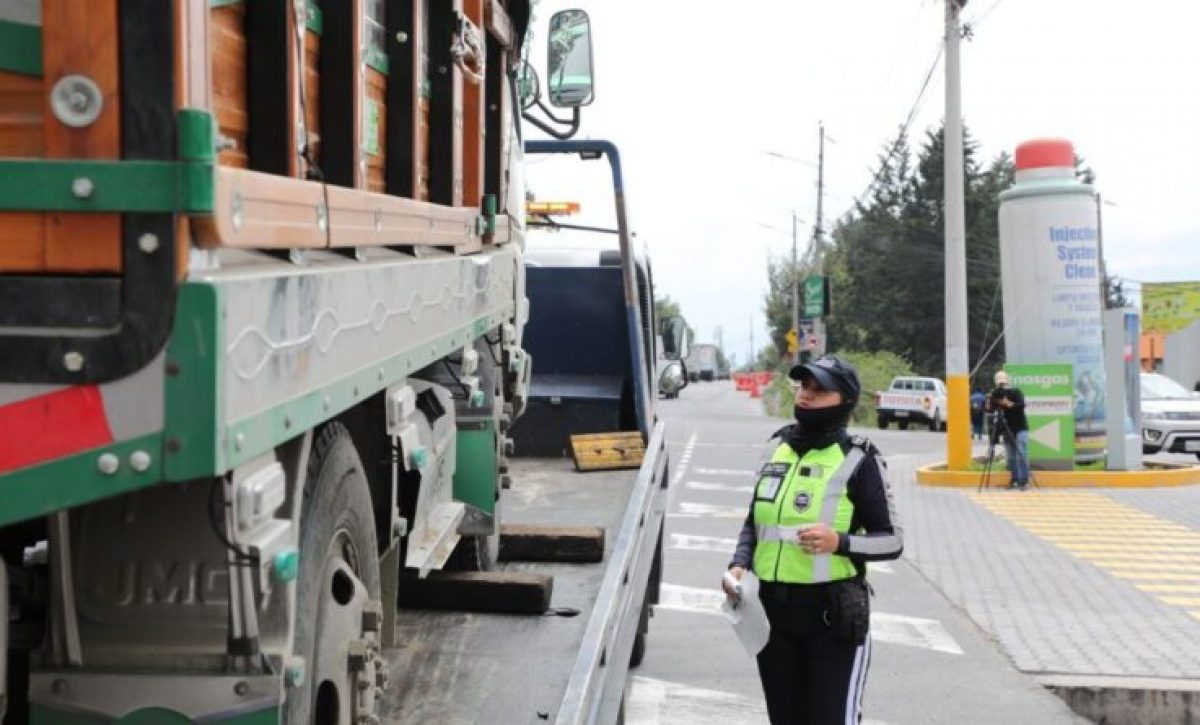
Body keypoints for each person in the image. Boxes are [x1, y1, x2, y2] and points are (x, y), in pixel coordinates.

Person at [723, 355, 903, 724]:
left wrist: (840, 541)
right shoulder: (777, 447)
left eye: (819, 390)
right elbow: (755, 520)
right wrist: (739, 563)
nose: (806, 395)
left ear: (845, 401)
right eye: (804, 386)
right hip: (772, 617)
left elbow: (892, 541)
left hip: (832, 619)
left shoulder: (858, 460)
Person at [985, 370, 1029, 490]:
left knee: (1021, 454)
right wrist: (990, 402)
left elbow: (1022, 405)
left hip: (1020, 428)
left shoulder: (1015, 392)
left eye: (1003, 384)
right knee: (1010, 457)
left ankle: (1023, 481)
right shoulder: (995, 395)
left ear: (1007, 382)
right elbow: (989, 410)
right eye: (999, 384)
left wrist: (1009, 403)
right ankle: (1014, 479)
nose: (1002, 387)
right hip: (1007, 428)